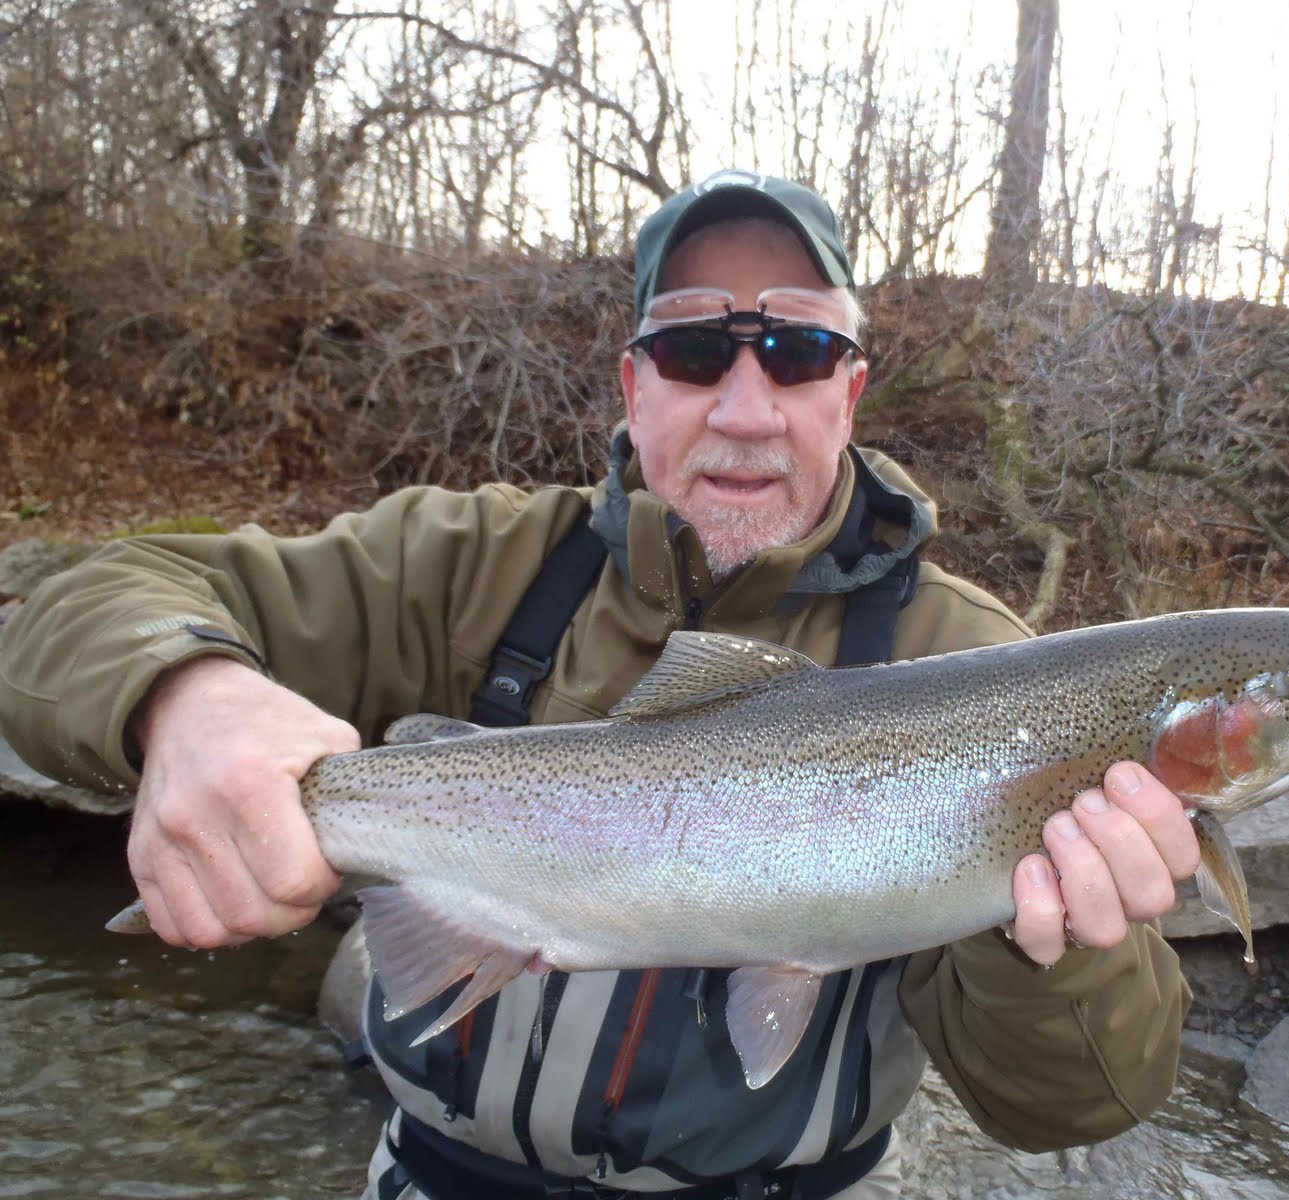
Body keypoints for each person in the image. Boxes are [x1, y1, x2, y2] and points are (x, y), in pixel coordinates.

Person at [0, 169, 1195, 1199]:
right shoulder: (471, 563)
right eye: (692, 351)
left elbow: (1073, 1107)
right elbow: (85, 600)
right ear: (633, 386)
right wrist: (188, 696)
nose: (745, 411)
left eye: (797, 353)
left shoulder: (978, 668)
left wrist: (1057, 946)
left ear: (850, 393)